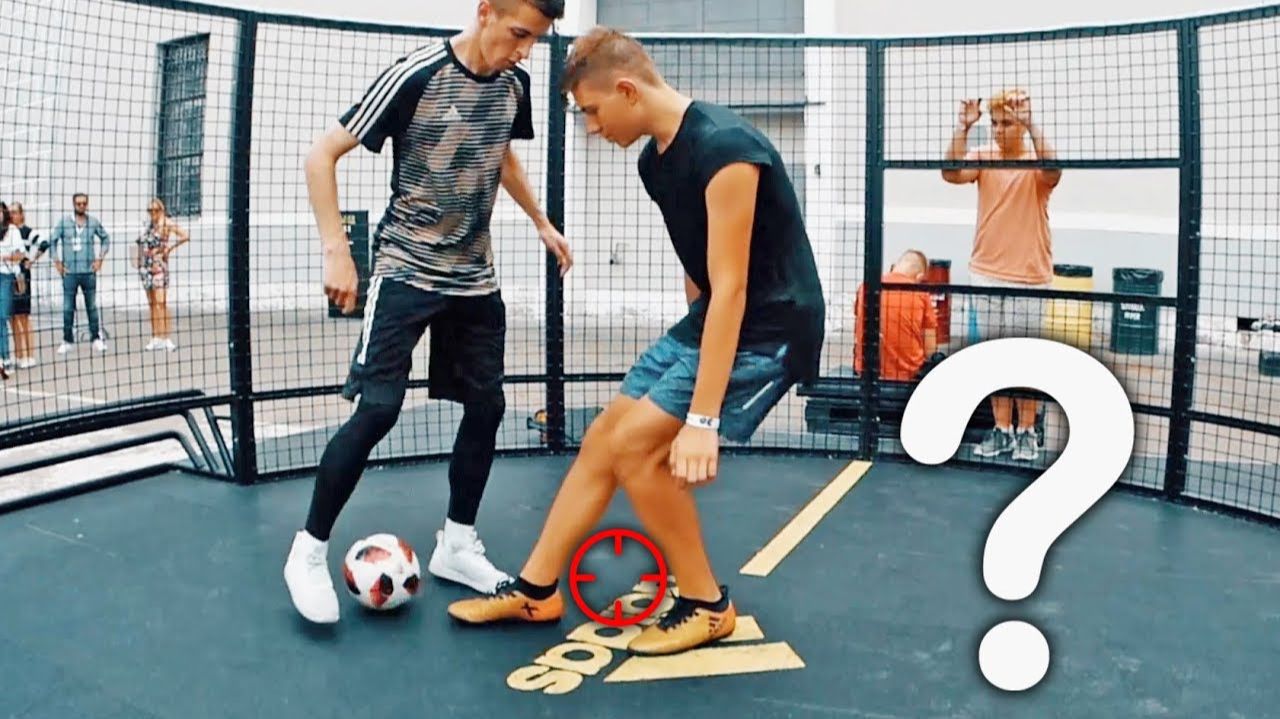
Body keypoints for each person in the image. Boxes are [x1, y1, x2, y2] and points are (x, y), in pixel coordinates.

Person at [447, 27, 826, 657]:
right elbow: (700, 267)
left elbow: (733, 288)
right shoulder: (656, 161)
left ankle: (707, 606)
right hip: (716, 316)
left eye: (593, 111)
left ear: (627, 89)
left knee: (636, 450)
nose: (593, 127)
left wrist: (700, 418)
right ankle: (538, 591)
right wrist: (685, 357)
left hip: (773, 327)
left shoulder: (728, 150)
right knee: (607, 437)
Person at [283, 0, 573, 625]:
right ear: (486, 11)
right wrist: (337, 251)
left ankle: (457, 545)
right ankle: (307, 552)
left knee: (487, 406)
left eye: (536, 39)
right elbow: (321, 155)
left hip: (474, 278)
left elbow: (500, 153)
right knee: (379, 409)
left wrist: (541, 220)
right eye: (519, 34)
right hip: (406, 269)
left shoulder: (515, 85)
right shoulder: (415, 74)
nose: (525, 50)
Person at [942, 88, 1061, 462]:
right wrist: (963, 128)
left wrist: (1032, 123)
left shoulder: (1036, 161)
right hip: (986, 271)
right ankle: (1002, 429)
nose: (998, 130)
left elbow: (1054, 172)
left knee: (1026, 360)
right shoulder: (983, 157)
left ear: (1020, 126)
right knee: (993, 358)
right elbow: (950, 173)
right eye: (994, 123)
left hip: (1029, 274)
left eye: (1006, 123)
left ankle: (1027, 432)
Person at [854, 249, 938, 382]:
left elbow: (858, 327)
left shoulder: (865, 287)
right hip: (909, 374)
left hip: (867, 371)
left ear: (893, 267)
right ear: (919, 277)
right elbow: (930, 350)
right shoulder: (921, 293)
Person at [48, 193, 111, 354]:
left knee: (91, 306)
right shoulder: (64, 223)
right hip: (70, 273)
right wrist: (57, 262)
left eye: (84, 203)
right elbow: (52, 241)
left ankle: (96, 338)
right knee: (68, 307)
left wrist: (100, 259)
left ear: (87, 204)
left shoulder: (93, 222)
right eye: (78, 203)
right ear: (73, 204)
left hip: (88, 273)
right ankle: (67, 340)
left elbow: (105, 239)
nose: (81, 206)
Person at [134, 198, 189, 352]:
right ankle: (156, 336)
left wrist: (169, 249)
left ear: (161, 210)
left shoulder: (166, 223)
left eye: (155, 210)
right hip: (146, 267)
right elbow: (140, 243)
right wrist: (138, 261)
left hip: (159, 266)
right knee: (151, 303)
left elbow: (185, 235)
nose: (153, 213)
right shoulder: (148, 226)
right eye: (150, 211)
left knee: (161, 302)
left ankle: (165, 337)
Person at [9, 203, 46, 369]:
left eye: (15, 212)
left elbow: (44, 243)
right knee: (12, 317)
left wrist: (32, 259)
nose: (12, 216)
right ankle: (18, 355)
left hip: (22, 277)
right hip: (9, 276)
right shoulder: (8, 233)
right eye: (10, 213)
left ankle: (30, 355)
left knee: (23, 316)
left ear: (21, 214)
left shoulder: (27, 232)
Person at [0, 203, 28, 380]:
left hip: (6, 276)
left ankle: (5, 358)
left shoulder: (12, 231)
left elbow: (20, 255)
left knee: (2, 316)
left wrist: (5, 257)